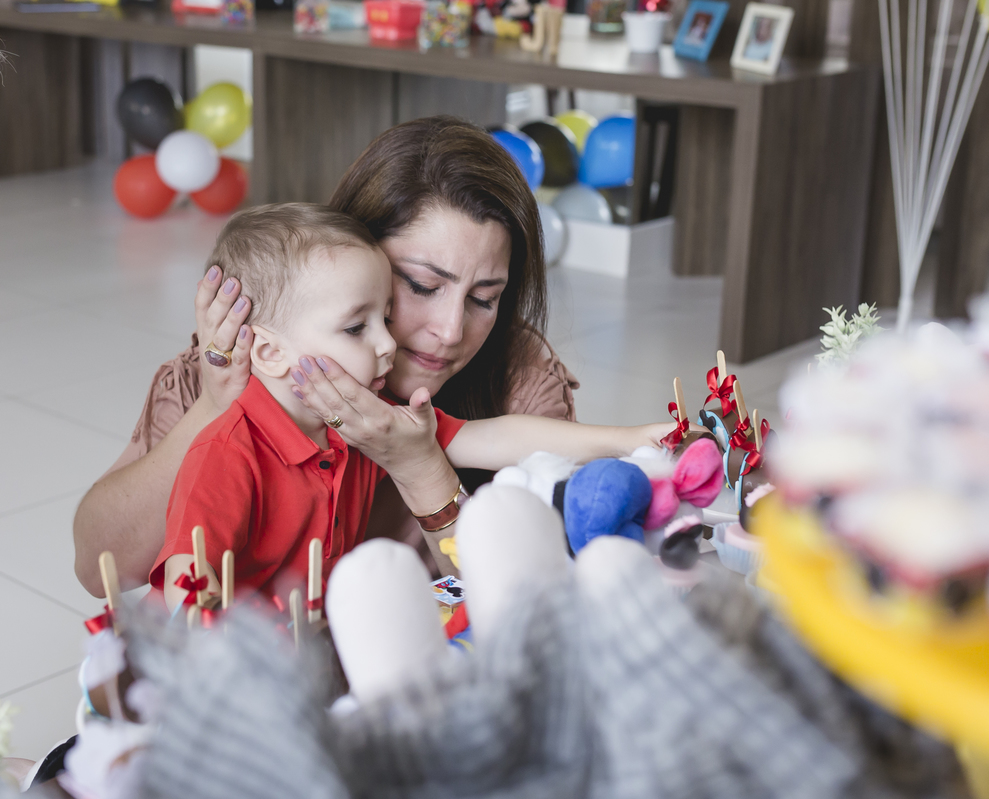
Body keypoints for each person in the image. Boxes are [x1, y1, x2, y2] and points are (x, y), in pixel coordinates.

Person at [73, 117, 614, 593]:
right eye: (421, 286)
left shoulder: (521, 378)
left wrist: (423, 471)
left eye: (483, 299)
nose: (450, 331)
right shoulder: (233, 362)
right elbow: (103, 571)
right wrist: (216, 410)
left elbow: (531, 605)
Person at [154, 203, 666, 609]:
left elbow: (500, 437)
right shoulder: (227, 453)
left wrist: (632, 439)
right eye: (357, 327)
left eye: (386, 317)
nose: (385, 345)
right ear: (269, 352)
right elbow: (189, 590)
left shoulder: (369, 417)